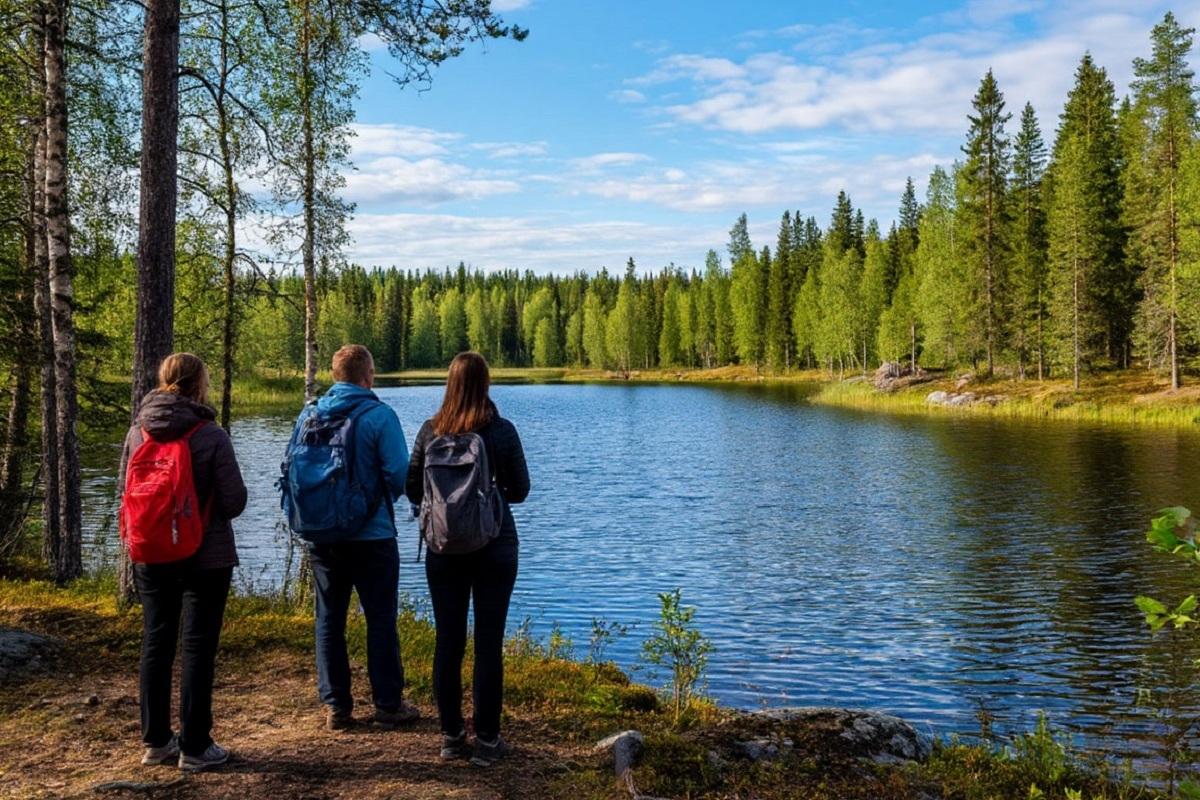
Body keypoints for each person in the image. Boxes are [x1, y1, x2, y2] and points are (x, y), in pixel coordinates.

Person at [118, 353, 247, 772]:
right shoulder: (210, 433)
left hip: (150, 551)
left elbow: (125, 488)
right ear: (199, 384)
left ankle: (156, 741)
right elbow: (234, 500)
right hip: (204, 554)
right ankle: (195, 745)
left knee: (156, 641)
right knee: (197, 646)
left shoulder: (139, 432)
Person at [406, 351, 529, 767]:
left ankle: (451, 737)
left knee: (448, 640)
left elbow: (411, 488)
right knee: (488, 644)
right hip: (495, 545)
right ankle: (489, 741)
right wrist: (486, 500)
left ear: (450, 384)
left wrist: (446, 509)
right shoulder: (502, 431)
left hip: (442, 549)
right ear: (486, 384)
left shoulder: (429, 430)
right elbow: (522, 490)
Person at [292, 344, 419, 730]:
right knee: (380, 618)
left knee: (328, 618)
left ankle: (337, 707)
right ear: (369, 376)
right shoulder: (380, 415)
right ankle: (387, 704)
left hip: (322, 534)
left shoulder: (309, 413)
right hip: (372, 535)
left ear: (335, 375)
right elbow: (400, 475)